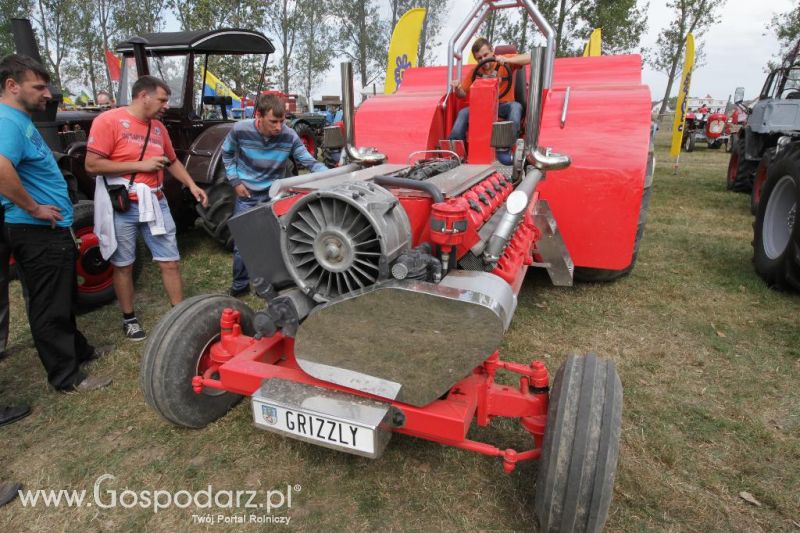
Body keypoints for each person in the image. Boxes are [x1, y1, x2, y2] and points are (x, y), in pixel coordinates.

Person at [0, 54, 111, 391]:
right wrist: (33, 208)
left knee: (60, 295)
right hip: (34, 229)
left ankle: (80, 351)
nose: (47, 94)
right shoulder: (7, 121)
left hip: (46, 227)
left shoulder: (17, 119)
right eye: (39, 87)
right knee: (49, 302)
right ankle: (67, 377)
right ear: (11, 85)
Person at [85, 75, 208, 341]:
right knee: (123, 265)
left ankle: (179, 315)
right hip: (122, 205)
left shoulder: (158, 128)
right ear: (144, 96)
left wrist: (192, 185)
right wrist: (139, 166)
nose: (166, 105)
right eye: (162, 99)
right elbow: (92, 165)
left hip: (155, 201)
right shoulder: (108, 121)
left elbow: (172, 161)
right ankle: (129, 319)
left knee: (171, 261)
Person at [222, 94, 327, 297]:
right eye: (273, 122)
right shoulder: (240, 130)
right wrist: (235, 181)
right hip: (247, 194)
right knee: (243, 244)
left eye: (282, 121)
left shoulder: (289, 135)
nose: (279, 127)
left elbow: (310, 161)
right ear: (259, 116)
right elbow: (227, 154)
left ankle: (271, 285)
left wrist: (332, 174)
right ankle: (240, 286)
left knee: (277, 241)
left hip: (274, 195)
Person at [449, 37, 530, 165]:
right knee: (464, 113)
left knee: (516, 107)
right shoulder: (475, 71)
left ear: (492, 51)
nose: (483, 60)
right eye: (479, 58)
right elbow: (462, 94)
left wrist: (507, 60)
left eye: (485, 55)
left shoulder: (505, 62)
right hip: (483, 108)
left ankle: (505, 148)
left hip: (503, 106)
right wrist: (458, 88)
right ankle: (455, 153)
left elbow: (529, 58)